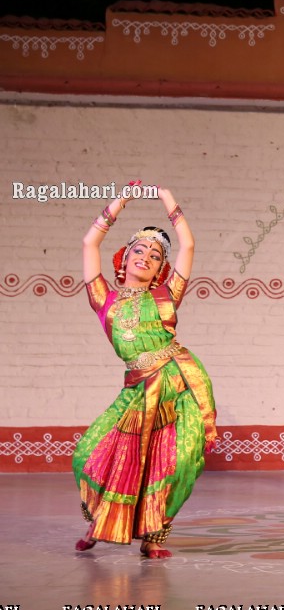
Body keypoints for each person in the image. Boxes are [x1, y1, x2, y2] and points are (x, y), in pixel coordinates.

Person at [74, 184, 216, 558]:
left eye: (155, 256)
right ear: (123, 259)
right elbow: (90, 245)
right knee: (92, 454)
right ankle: (99, 523)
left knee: (174, 461)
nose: (146, 257)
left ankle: (154, 537)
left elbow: (187, 246)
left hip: (176, 384)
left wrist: (169, 200)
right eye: (139, 250)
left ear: (158, 271)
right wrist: (119, 202)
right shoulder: (103, 298)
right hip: (137, 389)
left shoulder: (166, 296)